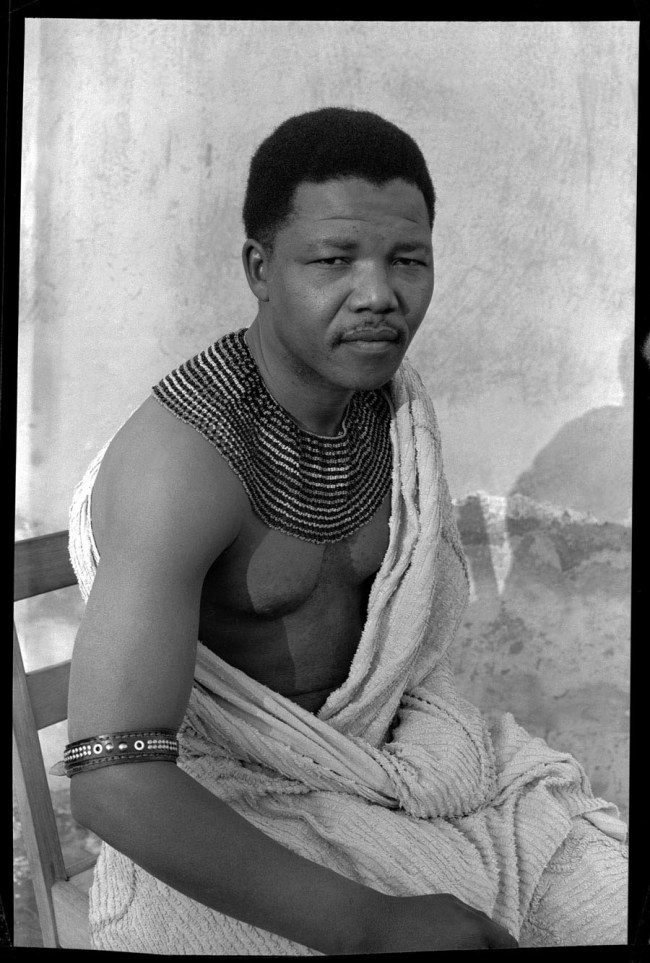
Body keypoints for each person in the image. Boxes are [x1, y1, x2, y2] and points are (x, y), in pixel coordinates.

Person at [61, 107, 628, 954]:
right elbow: (114, 779)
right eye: (333, 261)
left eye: (409, 260)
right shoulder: (181, 464)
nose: (378, 294)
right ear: (260, 267)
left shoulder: (389, 411)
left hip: (399, 769)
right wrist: (374, 922)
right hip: (225, 798)